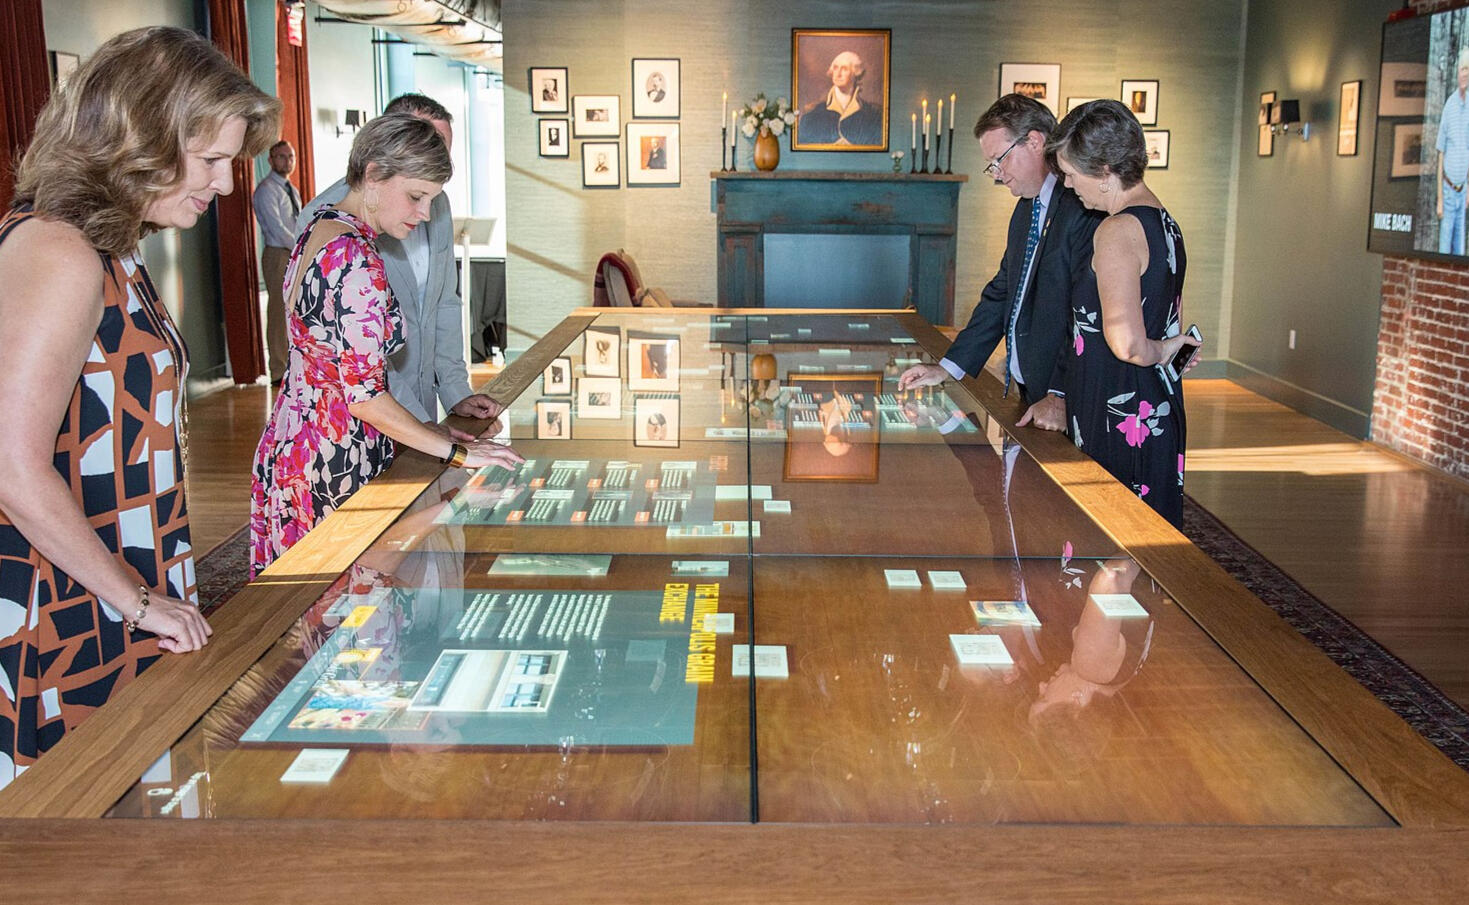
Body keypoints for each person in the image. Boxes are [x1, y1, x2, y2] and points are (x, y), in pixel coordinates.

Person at [0, 25, 279, 788]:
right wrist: (136, 600)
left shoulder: (108, 248)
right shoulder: (57, 250)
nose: (225, 185)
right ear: (141, 140)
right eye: (211, 160)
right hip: (62, 603)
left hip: (110, 580)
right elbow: (12, 466)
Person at [251, 114, 523, 576]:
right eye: (416, 197)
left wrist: (432, 432)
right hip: (336, 456)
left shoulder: (322, 225)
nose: (424, 214)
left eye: (431, 200)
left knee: (306, 596)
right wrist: (459, 454)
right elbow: (365, 399)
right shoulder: (356, 257)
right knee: (350, 605)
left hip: (295, 440)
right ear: (373, 174)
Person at [899, 94, 1103, 433]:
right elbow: (1002, 293)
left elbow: (1085, 313)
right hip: (1032, 393)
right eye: (991, 164)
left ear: (1034, 142)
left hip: (1067, 399)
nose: (997, 173)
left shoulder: (1081, 209)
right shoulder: (1025, 210)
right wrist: (948, 367)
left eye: (1000, 159)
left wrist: (1059, 393)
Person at [300, 94, 502, 431]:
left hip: (417, 414)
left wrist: (454, 391)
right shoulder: (329, 229)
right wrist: (421, 426)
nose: (439, 163)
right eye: (428, 147)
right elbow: (361, 368)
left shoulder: (435, 204)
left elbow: (444, 303)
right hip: (353, 426)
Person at [1046, 99, 1200, 527]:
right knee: (1140, 536)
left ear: (1105, 172)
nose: (1068, 185)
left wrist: (1165, 348)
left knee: (1111, 539)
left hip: (1119, 410)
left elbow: (1128, 344)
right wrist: (1169, 346)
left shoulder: (1116, 231)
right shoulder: (1165, 223)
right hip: (1152, 405)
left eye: (1071, 174)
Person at [253, 139, 301, 383]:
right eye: (281, 157)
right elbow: (277, 229)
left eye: (290, 157)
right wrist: (301, 247)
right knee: (278, 313)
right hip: (278, 254)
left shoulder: (291, 189)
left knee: (293, 311)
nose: (287, 161)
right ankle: (278, 370)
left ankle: (294, 366)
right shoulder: (266, 190)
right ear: (270, 160)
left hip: (293, 253)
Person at [799, 50, 883, 146]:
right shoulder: (812, 113)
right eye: (835, 68)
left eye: (844, 69)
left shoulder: (873, 114)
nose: (838, 74)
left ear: (855, 73)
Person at [1437, 49, 1469, 255]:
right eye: (1463, 69)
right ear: (1458, 72)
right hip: (1448, 193)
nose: (1466, 74)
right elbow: (1440, 154)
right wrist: (1440, 199)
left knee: (1459, 252)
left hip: (1462, 191)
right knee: (1443, 250)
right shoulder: (1449, 106)